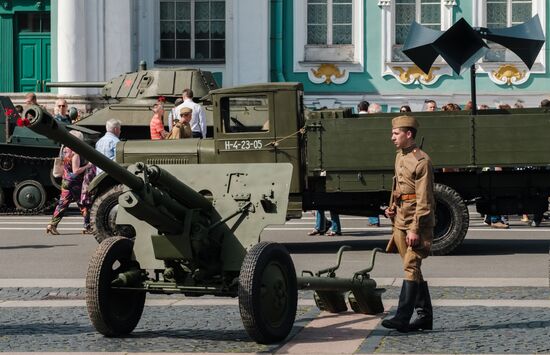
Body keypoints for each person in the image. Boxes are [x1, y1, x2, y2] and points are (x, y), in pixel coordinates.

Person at [382, 115, 435, 333]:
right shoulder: (400, 156)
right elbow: (398, 185)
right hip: (400, 219)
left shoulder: (422, 161)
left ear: (408, 134)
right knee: (413, 270)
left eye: (396, 134)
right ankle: (424, 317)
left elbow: (425, 200)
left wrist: (415, 228)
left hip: (416, 222)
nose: (392, 137)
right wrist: (392, 206)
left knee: (410, 266)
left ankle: (402, 318)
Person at [46, 130, 94, 235]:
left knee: (62, 204)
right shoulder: (75, 153)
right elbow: (76, 170)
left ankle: (52, 224)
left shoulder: (65, 150)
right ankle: (87, 226)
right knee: (83, 203)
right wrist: (88, 165)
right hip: (75, 182)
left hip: (65, 180)